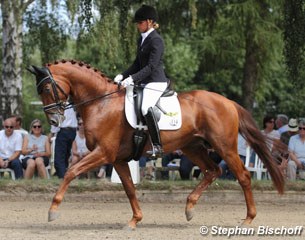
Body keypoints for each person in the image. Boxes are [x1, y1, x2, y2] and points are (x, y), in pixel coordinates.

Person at [114, 4, 168, 156]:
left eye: (140, 22)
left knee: (145, 107)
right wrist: (123, 75)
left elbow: (151, 66)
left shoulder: (156, 40)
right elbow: (137, 64)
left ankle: (157, 145)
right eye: (137, 23)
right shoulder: (142, 39)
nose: (138, 26)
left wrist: (132, 78)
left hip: (156, 81)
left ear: (150, 22)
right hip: (144, 81)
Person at [51, 107, 77, 178]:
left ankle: (63, 179)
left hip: (63, 131)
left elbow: (55, 122)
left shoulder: (60, 105)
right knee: (66, 157)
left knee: (59, 159)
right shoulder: (71, 104)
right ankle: (64, 175)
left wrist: (53, 132)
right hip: (73, 131)